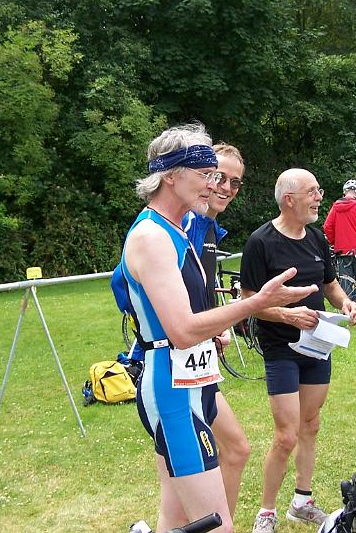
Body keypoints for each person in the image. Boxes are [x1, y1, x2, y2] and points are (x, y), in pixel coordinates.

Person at [121, 124, 317, 533]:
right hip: (173, 390)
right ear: (170, 175)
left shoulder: (178, 230)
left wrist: (229, 317)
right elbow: (181, 330)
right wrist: (255, 303)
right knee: (217, 526)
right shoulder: (152, 236)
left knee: (176, 519)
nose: (214, 185)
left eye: (220, 176)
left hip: (196, 381)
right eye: (205, 173)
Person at [240, 168, 356, 533]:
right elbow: (248, 302)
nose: (319, 197)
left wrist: (345, 303)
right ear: (289, 199)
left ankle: (302, 501)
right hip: (281, 347)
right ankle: (266, 511)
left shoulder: (316, 238)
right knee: (286, 434)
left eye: (319, 190)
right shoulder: (260, 242)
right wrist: (287, 316)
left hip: (318, 345)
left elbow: (330, 284)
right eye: (312, 191)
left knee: (310, 424)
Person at [182, 142, 250, 519]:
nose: (225, 187)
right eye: (218, 177)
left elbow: (199, 290)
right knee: (229, 452)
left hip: (198, 362)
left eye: (235, 183)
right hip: (178, 367)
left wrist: (218, 321)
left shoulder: (207, 225)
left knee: (234, 450)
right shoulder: (187, 223)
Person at [323, 179, 356, 315]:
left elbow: (327, 227)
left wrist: (335, 241)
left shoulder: (335, 208)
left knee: (346, 283)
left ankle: (348, 310)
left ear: (344, 193)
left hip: (342, 250)